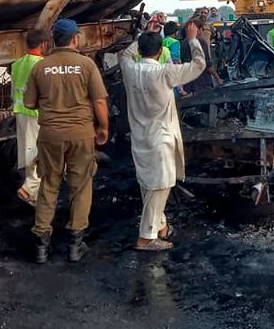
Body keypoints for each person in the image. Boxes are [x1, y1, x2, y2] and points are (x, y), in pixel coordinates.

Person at [24, 19, 109, 263]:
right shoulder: (86, 65)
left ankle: (41, 245)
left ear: (53, 40)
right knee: (80, 185)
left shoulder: (40, 67)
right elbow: (99, 101)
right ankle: (75, 245)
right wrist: (103, 127)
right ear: (75, 38)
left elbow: (29, 103)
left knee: (48, 185)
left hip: (50, 135)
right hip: (81, 134)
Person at [119, 21, 206, 250]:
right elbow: (199, 64)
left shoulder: (129, 68)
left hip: (139, 136)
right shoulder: (165, 72)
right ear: (160, 53)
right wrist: (193, 38)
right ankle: (146, 237)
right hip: (161, 137)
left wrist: (144, 33)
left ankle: (160, 226)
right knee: (161, 185)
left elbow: (128, 53)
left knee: (147, 184)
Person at [11, 28, 48, 205]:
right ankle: (30, 189)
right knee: (40, 152)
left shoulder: (17, 63)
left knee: (27, 151)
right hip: (36, 114)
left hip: (21, 112)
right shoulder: (42, 65)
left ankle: (32, 192)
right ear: (43, 44)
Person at [181, 17, 221, 95]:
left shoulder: (182, 43)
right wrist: (217, 78)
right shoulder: (201, 42)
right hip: (202, 83)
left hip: (188, 84)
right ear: (198, 30)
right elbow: (207, 64)